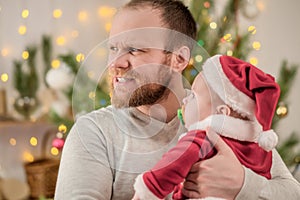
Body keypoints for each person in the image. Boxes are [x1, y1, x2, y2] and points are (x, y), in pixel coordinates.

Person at [54, 0, 300, 199]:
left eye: (135, 49)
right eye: (113, 48)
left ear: (179, 60)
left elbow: (292, 192)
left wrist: (242, 184)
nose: (115, 63)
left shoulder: (225, 118)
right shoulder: (95, 133)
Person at [132, 54, 280, 199]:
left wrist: (148, 188)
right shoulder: (260, 150)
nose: (185, 99)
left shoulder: (204, 137)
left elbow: (173, 164)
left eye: (194, 96)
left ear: (221, 112)